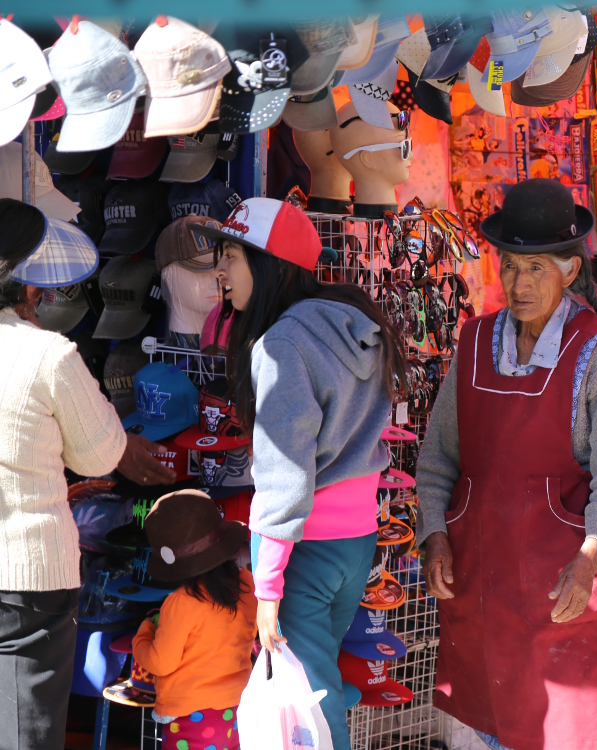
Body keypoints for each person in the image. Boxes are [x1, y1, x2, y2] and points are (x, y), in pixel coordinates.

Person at [415, 178, 597, 750]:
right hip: (485, 585)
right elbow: (437, 459)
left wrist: (588, 558)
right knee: (496, 728)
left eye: (536, 269)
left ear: (571, 271)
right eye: (511, 265)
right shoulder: (473, 342)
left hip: (566, 588)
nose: (518, 285)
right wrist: (432, 534)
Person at [195, 197, 405, 750]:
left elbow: (284, 477)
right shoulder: (346, 325)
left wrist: (267, 588)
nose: (220, 271)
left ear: (269, 264)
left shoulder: (284, 343)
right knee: (315, 685)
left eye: (232, 257)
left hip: (306, 550)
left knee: (310, 697)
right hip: (356, 542)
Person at [0, 198, 177, 750]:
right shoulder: (47, 355)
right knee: (26, 724)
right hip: (27, 575)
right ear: (30, 284)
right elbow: (101, 455)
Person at [132, 490, 256, 750]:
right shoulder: (246, 583)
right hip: (238, 710)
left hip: (191, 717)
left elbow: (160, 662)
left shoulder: (182, 602)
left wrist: (144, 633)